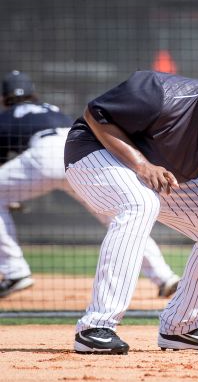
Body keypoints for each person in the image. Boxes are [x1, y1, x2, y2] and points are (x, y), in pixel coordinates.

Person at [64, 44, 198, 354]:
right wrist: (141, 164)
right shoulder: (161, 93)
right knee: (140, 203)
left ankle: (181, 328)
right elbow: (95, 113)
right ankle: (96, 326)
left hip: (163, 173)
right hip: (93, 151)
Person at [0, 70, 180, 299]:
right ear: (33, 94)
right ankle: (164, 277)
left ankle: (15, 271)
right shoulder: (51, 110)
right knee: (124, 216)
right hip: (72, 156)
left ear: (4, 98)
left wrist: (10, 194)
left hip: (41, 157)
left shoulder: (7, 116)